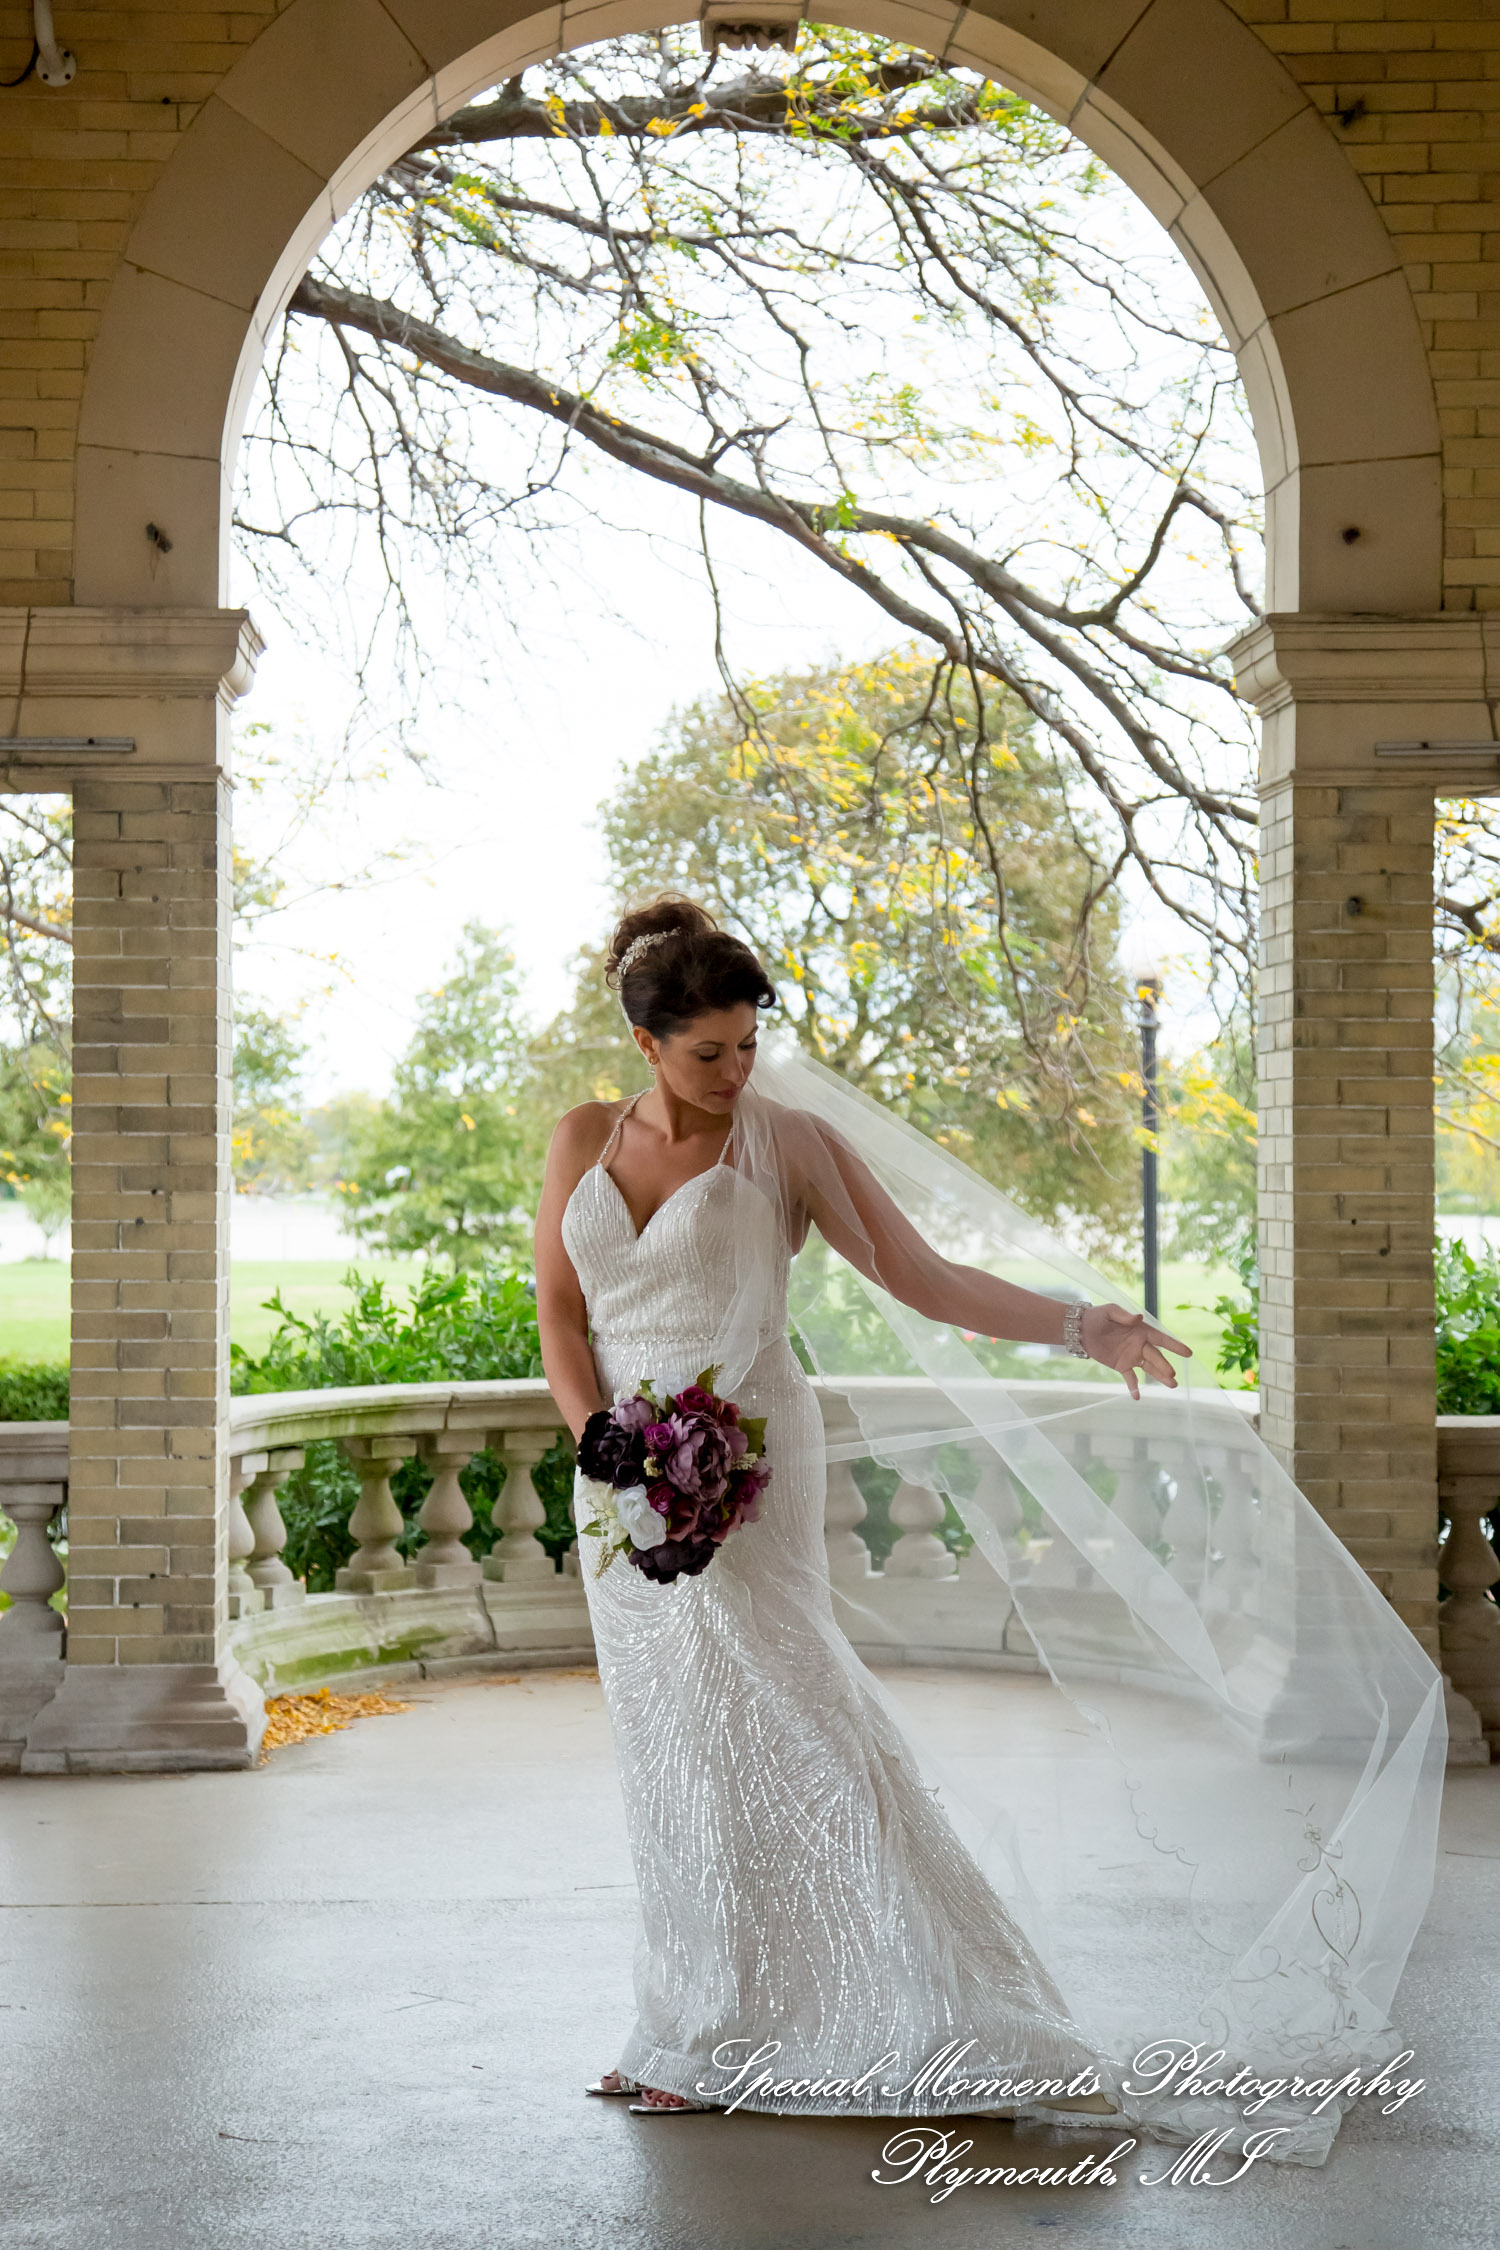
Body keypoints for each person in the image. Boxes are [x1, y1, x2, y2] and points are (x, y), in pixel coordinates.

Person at [534, 896, 1190, 2119]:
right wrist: (603, 1441)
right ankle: (688, 2027)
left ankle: (961, 2012)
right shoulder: (580, 1138)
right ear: (646, 1042)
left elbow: (923, 1276)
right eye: (708, 1052)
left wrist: (1080, 1324)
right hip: (620, 1484)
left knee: (803, 1721)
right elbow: (562, 1317)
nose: (737, 1072)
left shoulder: (785, 1143)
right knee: (674, 1753)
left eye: (749, 1043)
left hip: (752, 1462)